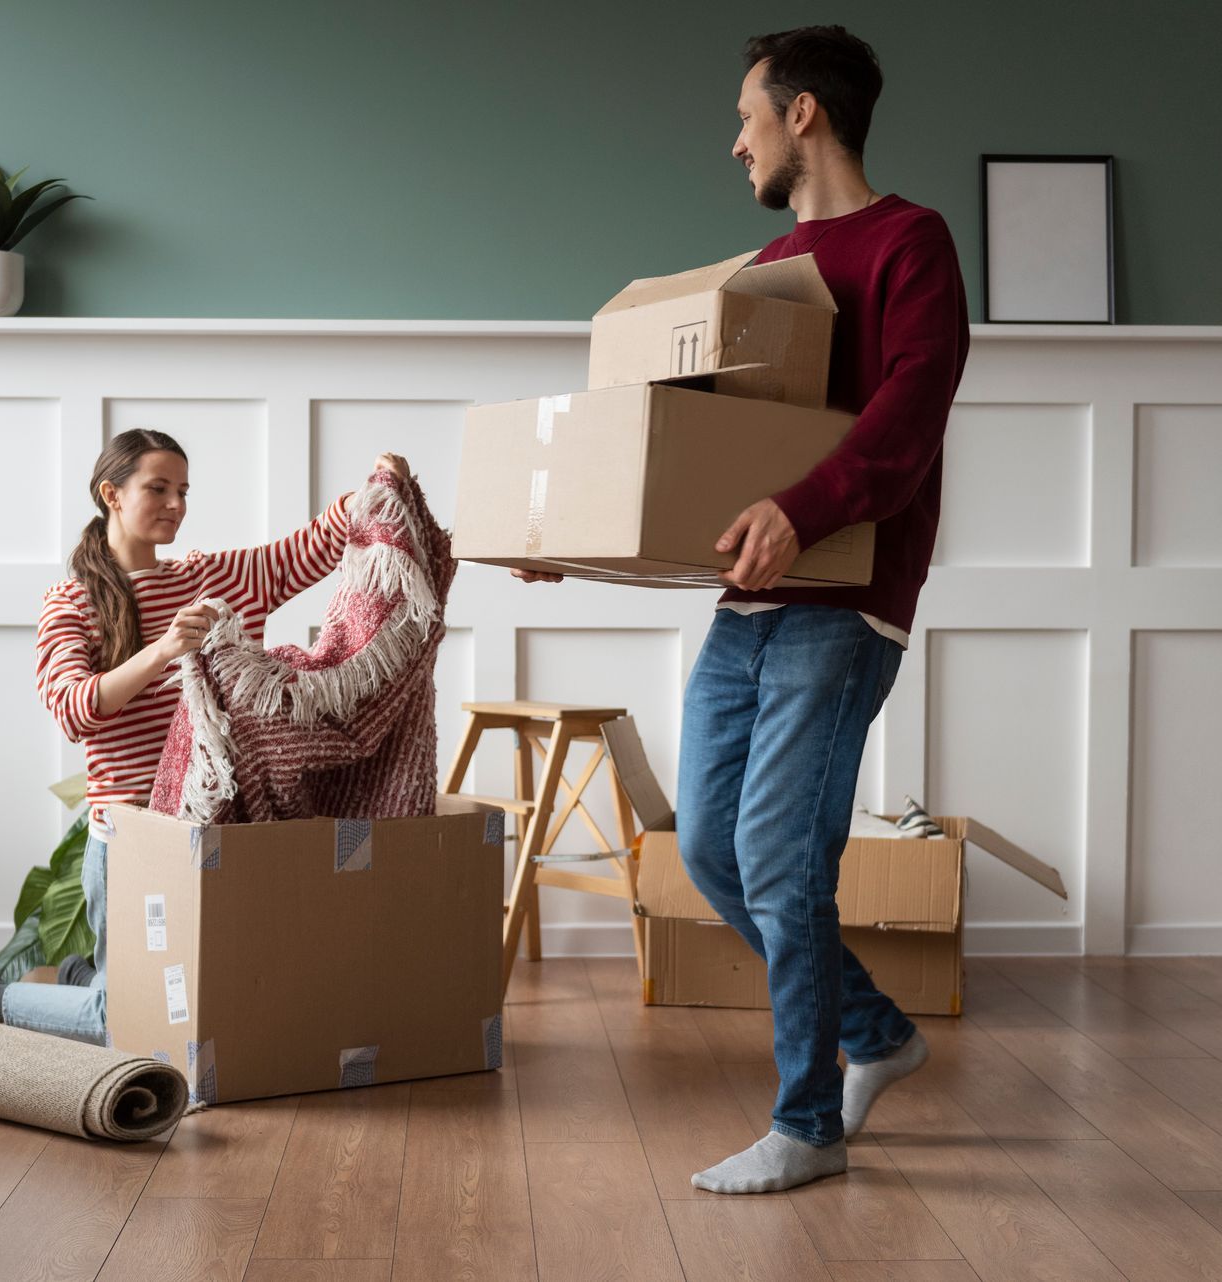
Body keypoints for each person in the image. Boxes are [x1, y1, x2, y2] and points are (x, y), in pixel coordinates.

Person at [517, 25, 969, 1192]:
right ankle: (878, 1033)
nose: (737, 141)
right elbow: (706, 458)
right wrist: (572, 541)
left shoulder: (910, 243)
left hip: (848, 598)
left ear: (804, 112)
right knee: (713, 848)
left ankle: (808, 1127)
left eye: (748, 116)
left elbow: (908, 423)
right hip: (754, 600)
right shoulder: (766, 269)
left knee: (780, 855)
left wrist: (803, 512)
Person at [0, 428, 411, 1044]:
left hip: (203, 827)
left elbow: (306, 550)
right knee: (124, 1024)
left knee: (196, 989)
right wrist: (163, 650)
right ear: (110, 493)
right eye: (157, 488)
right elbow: (73, 707)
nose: (176, 505)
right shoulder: (71, 601)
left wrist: (376, 485)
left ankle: (84, 973)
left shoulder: (208, 577)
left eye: (183, 491)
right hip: (130, 835)